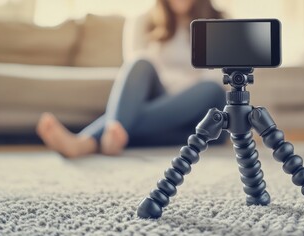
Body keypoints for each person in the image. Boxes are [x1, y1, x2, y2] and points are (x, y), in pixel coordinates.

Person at [36, 0, 226, 158]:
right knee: (140, 63)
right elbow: (136, 80)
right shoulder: (142, 20)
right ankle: (111, 134)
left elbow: (217, 74)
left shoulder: (219, 20)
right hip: (164, 107)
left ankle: (89, 141)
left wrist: (177, 93)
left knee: (211, 88)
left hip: (204, 114)